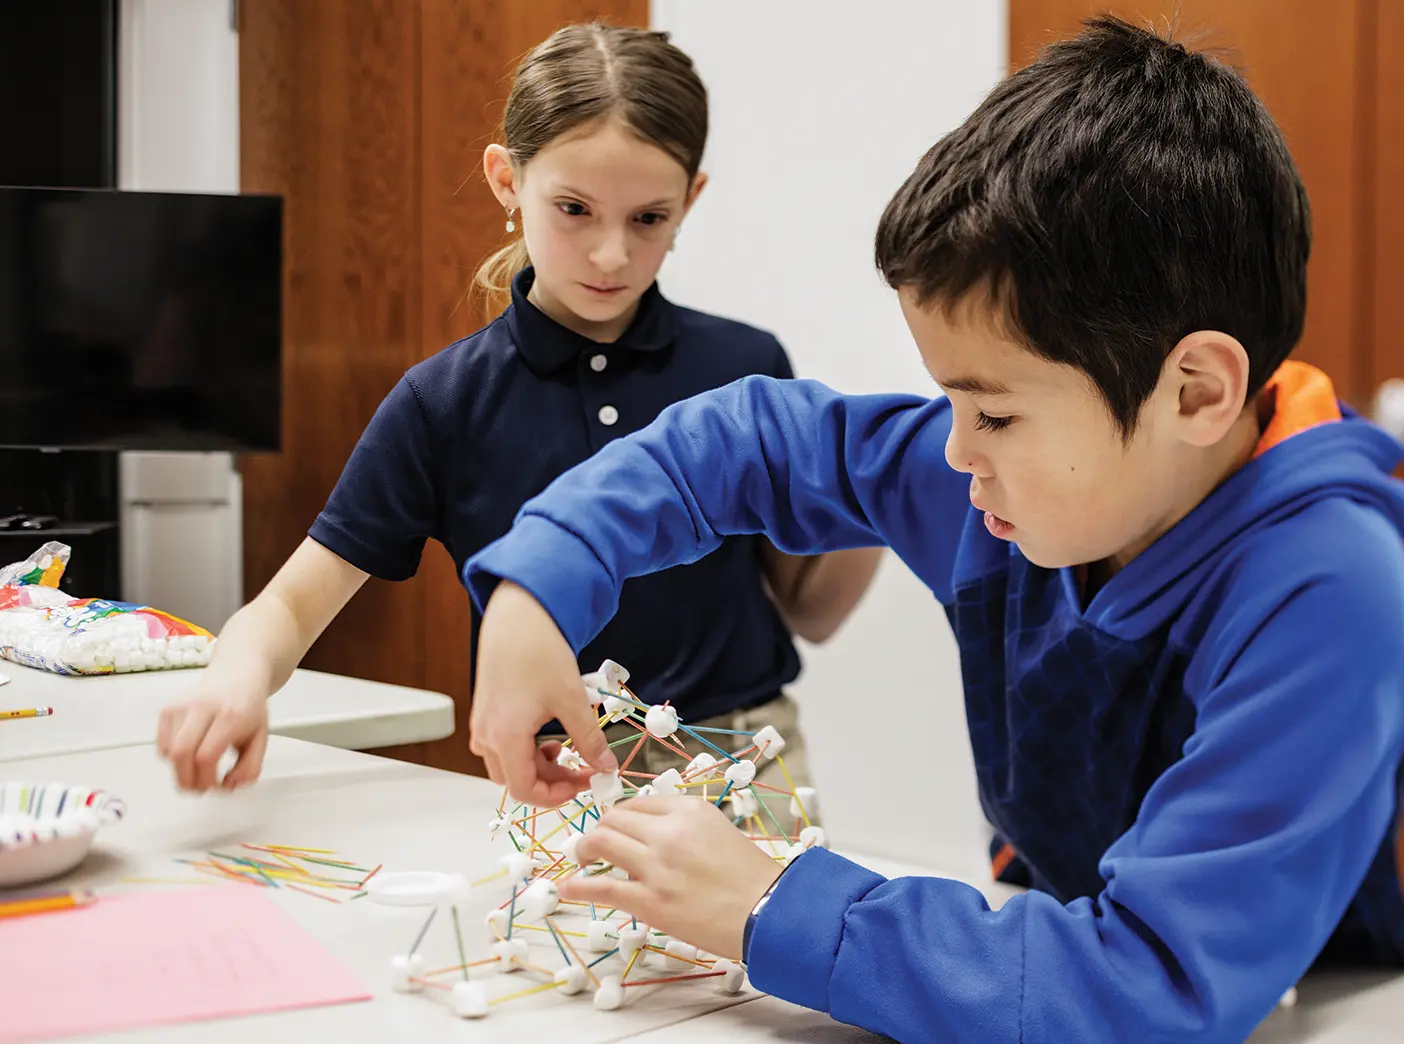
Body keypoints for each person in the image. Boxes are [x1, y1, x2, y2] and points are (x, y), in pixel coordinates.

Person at [462, 16, 1404, 1043]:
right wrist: (538, 583)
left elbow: (1149, 988)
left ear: (1194, 391)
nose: (955, 453)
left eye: (994, 413)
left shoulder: (1333, 591)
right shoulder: (1002, 486)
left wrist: (773, 903)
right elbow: (746, 441)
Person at [155, 22, 881, 802]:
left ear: (690, 199)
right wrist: (233, 680)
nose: (611, 254)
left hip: (748, 762)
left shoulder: (745, 366)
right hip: (558, 781)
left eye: (648, 219)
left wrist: (878, 483)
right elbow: (292, 604)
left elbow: (810, 612)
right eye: (574, 209)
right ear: (507, 180)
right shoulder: (443, 402)